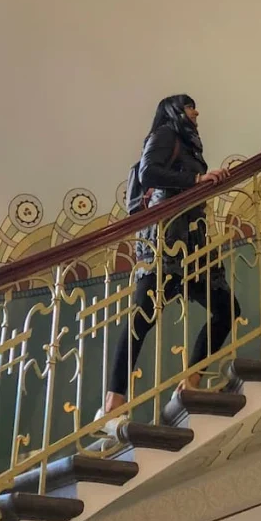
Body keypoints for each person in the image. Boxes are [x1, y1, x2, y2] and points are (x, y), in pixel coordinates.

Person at [96, 95, 241, 433]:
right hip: (165, 244)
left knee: (227, 308)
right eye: (190, 106)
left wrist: (204, 182)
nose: (196, 111)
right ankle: (112, 405)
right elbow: (149, 172)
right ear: (176, 111)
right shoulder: (165, 134)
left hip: (193, 245)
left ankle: (190, 382)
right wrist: (196, 181)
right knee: (140, 320)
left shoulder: (188, 144)